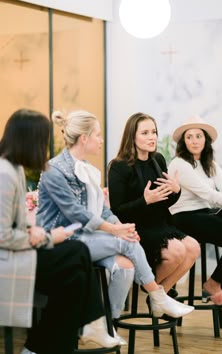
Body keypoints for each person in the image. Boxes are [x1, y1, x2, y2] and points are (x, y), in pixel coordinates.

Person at [36, 109, 194, 330]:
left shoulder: (87, 169)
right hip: (63, 239)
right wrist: (116, 229)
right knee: (128, 242)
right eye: (98, 135)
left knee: (126, 266)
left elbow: (101, 208)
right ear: (84, 138)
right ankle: (157, 296)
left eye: (154, 132)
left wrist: (121, 226)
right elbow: (76, 213)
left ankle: (107, 323)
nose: (101, 140)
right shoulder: (56, 170)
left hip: (89, 235)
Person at [0, 108, 119, 354]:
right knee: (76, 254)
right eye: (43, 141)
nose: (45, 149)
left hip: (18, 252)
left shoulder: (14, 170)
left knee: (76, 265)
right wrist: (46, 236)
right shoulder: (5, 174)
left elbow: (13, 223)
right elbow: (2, 236)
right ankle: (89, 325)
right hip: (8, 260)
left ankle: (40, 346)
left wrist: (32, 229)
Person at [108, 112, 200, 305]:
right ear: (132, 136)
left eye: (154, 132)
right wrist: (145, 201)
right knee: (176, 251)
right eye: (145, 133)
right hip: (136, 229)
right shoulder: (119, 167)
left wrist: (176, 191)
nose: (152, 137)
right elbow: (117, 211)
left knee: (193, 248)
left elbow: (165, 200)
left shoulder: (157, 159)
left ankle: (158, 296)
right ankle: (153, 290)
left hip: (160, 224)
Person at [168, 115, 222, 306]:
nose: (194, 140)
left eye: (199, 136)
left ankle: (214, 282)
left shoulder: (209, 164)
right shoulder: (179, 163)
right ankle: (214, 284)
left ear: (205, 139)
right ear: (184, 141)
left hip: (205, 213)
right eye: (189, 137)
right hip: (183, 217)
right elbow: (207, 193)